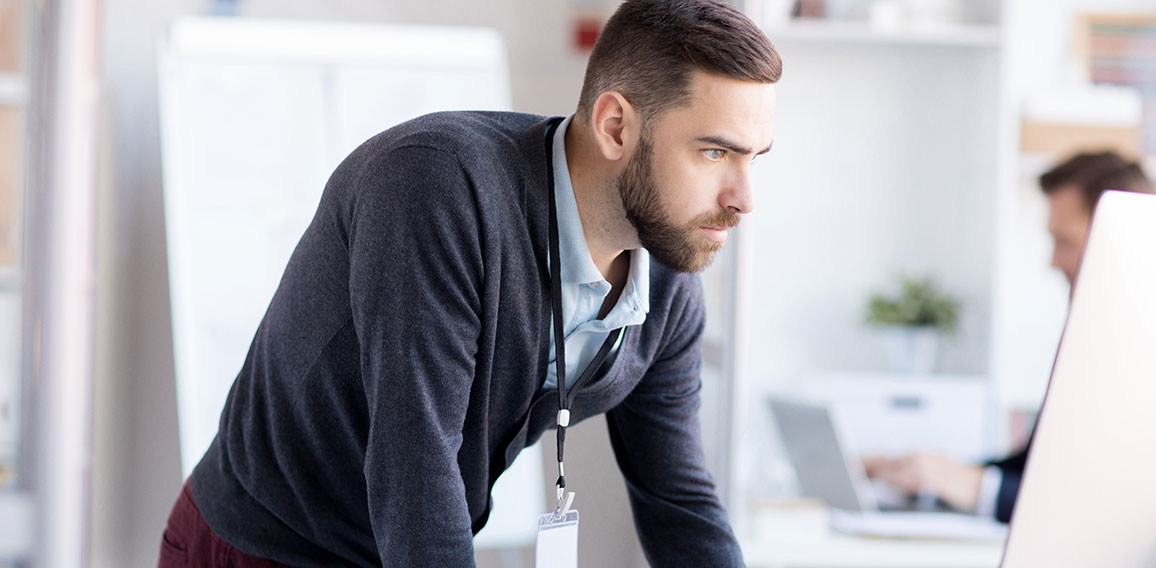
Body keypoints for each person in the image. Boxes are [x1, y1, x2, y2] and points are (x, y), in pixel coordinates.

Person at [157, 1, 782, 566]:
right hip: (265, 544)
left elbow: (678, 500)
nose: (744, 199)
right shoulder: (437, 188)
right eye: (714, 153)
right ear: (616, 126)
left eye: (755, 157)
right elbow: (416, 469)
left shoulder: (665, 275)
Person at [864, 151, 1154, 524]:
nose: (1053, 262)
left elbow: (1119, 504)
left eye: (1065, 242)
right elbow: (1034, 469)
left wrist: (977, 487)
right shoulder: (1097, 341)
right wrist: (923, 473)